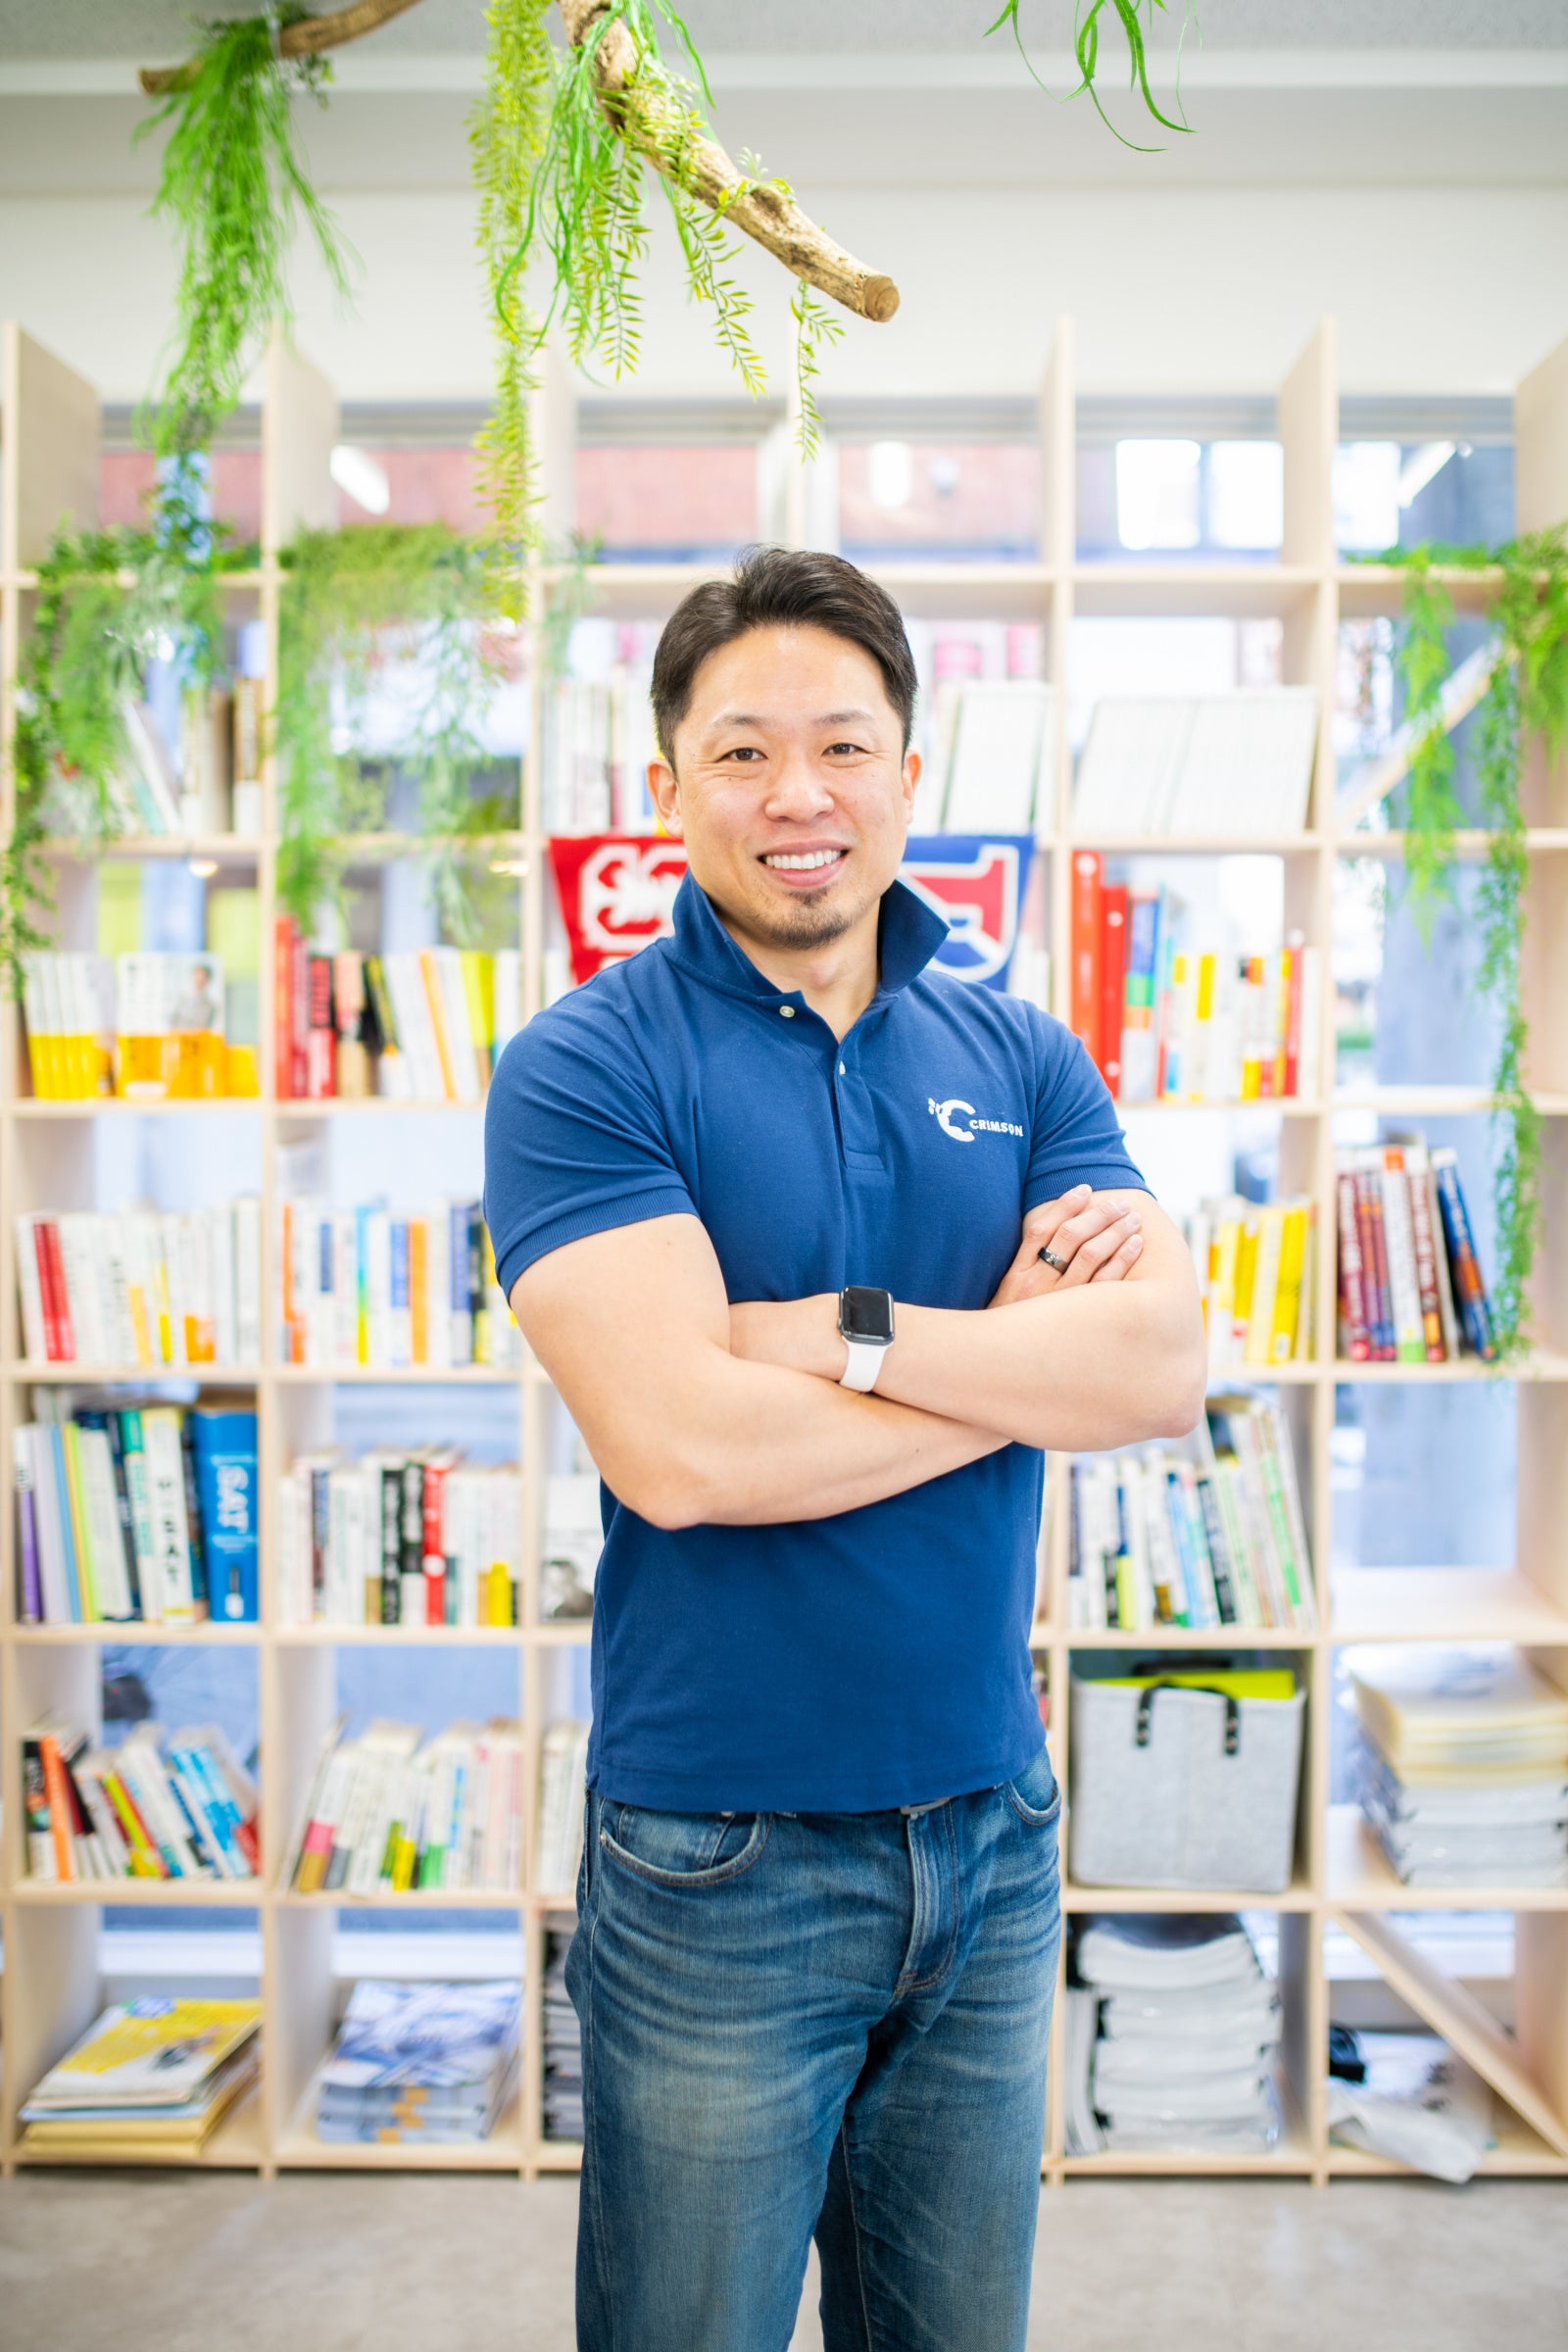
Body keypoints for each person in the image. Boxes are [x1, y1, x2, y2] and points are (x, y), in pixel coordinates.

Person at [484, 547, 1206, 2352]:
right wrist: (1015, 1368)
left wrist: (843, 1335)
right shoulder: (584, 1068)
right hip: (715, 1850)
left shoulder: (1023, 1055)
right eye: (742, 752)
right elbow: (682, 1455)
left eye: (842, 746)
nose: (797, 794)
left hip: (993, 1824)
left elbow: (1154, 1369)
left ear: (908, 768)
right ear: (667, 783)